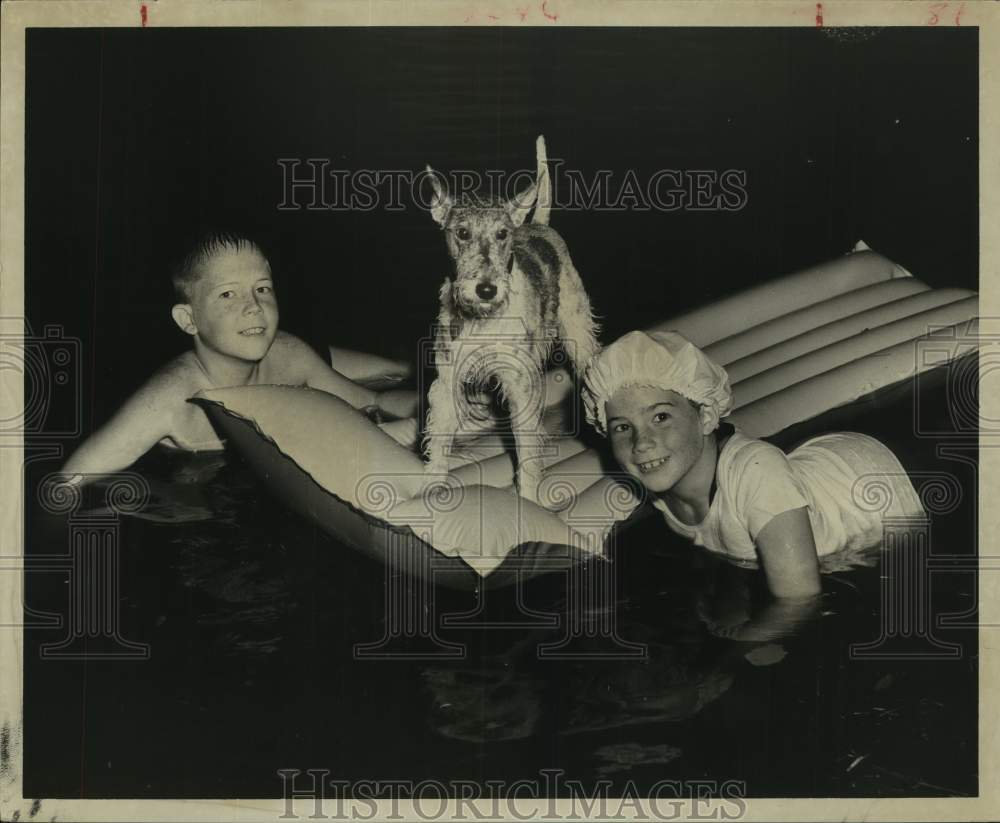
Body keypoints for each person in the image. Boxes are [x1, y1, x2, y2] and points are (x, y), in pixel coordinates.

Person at [580, 330, 925, 600]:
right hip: (823, 469)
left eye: (660, 416)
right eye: (622, 427)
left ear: (706, 416)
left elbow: (800, 599)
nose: (641, 443)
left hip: (883, 485)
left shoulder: (755, 473)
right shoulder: (662, 478)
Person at [59, 231, 416, 483]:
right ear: (189, 319)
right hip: (268, 369)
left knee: (403, 370)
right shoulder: (167, 401)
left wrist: (441, 404)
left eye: (262, 288)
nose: (254, 306)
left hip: (304, 349)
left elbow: (373, 401)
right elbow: (67, 481)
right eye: (228, 294)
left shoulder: (290, 355)